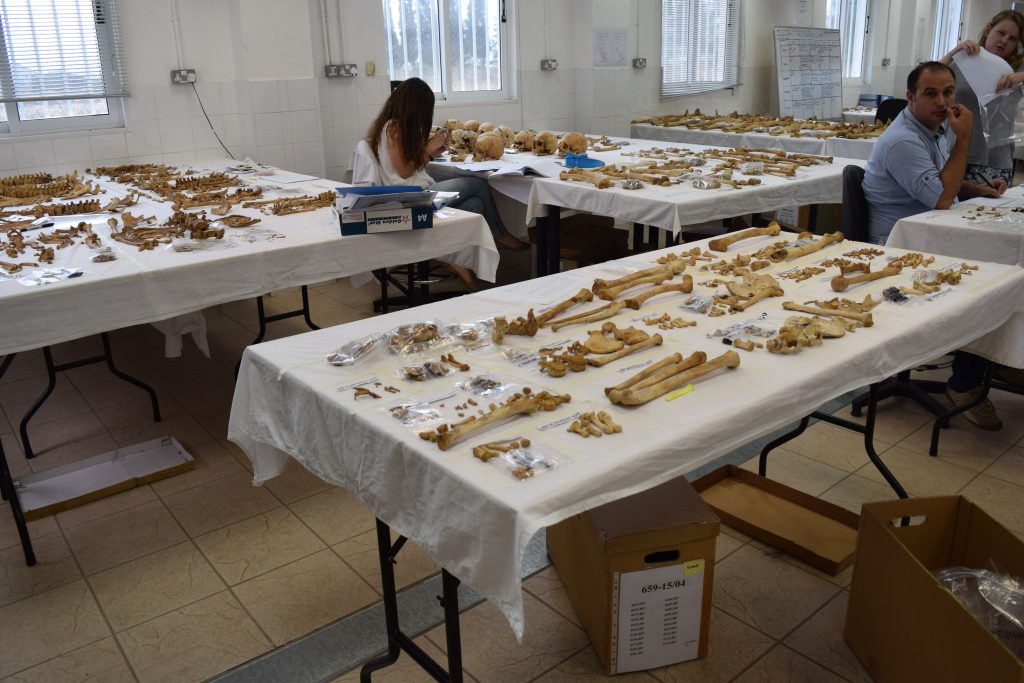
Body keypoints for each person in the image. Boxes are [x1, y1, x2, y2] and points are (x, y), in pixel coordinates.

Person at [863, 61, 1005, 430]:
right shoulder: (903, 140)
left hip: (930, 229)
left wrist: (977, 189)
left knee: (1002, 267)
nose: (942, 101)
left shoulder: (935, 129)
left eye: (947, 93)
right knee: (993, 281)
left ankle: (991, 360)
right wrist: (965, 139)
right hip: (896, 245)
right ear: (910, 98)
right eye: (930, 93)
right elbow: (941, 199)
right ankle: (965, 382)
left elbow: (943, 182)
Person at [365, 77, 530, 289]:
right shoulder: (393, 128)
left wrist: (433, 153)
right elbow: (404, 171)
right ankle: (500, 235)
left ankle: (458, 260)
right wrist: (428, 148)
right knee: (477, 184)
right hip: (410, 197)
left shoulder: (395, 126)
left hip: (416, 190)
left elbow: (410, 164)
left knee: (476, 207)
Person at [940, 10, 1024, 188]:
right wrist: (955, 51)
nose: (1004, 41)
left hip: (996, 161)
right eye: (1001, 33)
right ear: (988, 29)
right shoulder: (964, 61)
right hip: (954, 154)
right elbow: (928, 77)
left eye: (1012, 39)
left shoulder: (1015, 70)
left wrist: (1020, 76)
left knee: (986, 214)